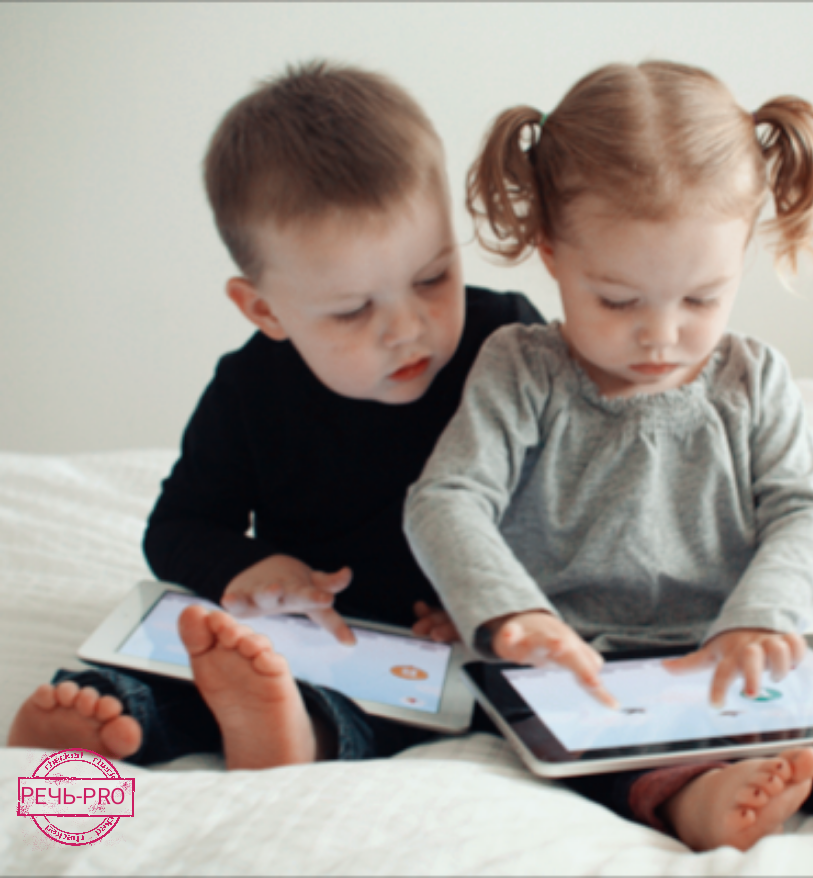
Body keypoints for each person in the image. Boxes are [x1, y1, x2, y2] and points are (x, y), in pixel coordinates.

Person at [403, 60, 813, 851]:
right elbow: (446, 498)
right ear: (551, 252)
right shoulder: (522, 370)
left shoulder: (752, 378)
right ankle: (698, 800)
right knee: (595, 740)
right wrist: (511, 614)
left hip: (727, 644)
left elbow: (804, 511)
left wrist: (760, 618)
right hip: (581, 655)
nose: (662, 334)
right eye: (618, 300)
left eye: (702, 298)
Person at [7, 60, 543, 771]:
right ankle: (117, 713)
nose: (407, 329)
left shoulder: (508, 344)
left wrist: (496, 599)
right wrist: (255, 567)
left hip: (445, 646)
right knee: (204, 656)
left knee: (450, 698)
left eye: (433, 277)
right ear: (264, 310)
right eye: (352, 310)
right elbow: (178, 527)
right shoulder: (249, 389)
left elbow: (579, 498)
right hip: (305, 631)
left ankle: (297, 732)